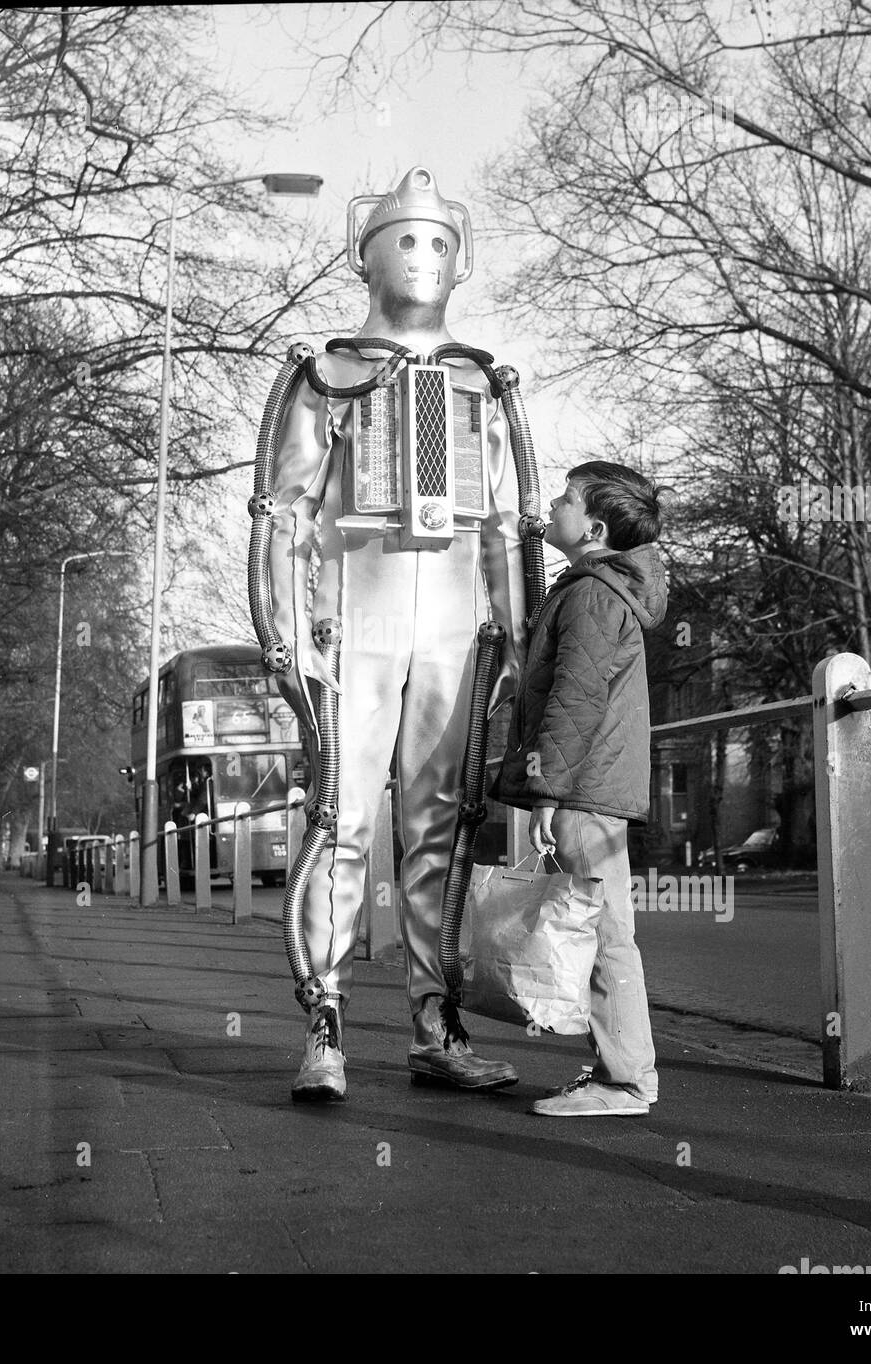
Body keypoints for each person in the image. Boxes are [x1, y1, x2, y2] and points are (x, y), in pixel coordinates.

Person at [254, 167, 544, 1102]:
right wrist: (288, 633)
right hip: (356, 629)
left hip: (455, 638)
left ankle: (434, 1021)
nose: (422, 256)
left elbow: (509, 527)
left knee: (441, 829)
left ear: (461, 261)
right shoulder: (323, 373)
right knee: (341, 822)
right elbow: (283, 513)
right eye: (404, 238)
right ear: (364, 252)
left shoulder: (483, 381)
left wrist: (519, 643)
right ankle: (325, 1019)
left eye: (439, 241)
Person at [492, 461, 667, 1116]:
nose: (553, 507)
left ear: (592, 528)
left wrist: (546, 789)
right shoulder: (592, 587)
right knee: (604, 929)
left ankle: (622, 1083)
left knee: (601, 932)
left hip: (587, 790)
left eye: (566, 498)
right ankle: (620, 1075)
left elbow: (575, 701)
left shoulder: (593, 596)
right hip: (594, 787)